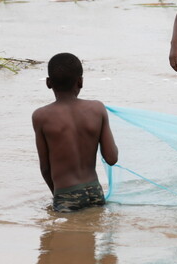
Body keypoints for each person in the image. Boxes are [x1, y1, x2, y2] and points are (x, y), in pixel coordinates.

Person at [32, 53, 118, 213]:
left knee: (59, 236)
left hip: (66, 194)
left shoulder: (41, 116)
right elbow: (112, 158)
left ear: (48, 83)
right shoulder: (97, 109)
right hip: (95, 192)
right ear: (80, 81)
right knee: (91, 234)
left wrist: (58, 196)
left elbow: (45, 168)